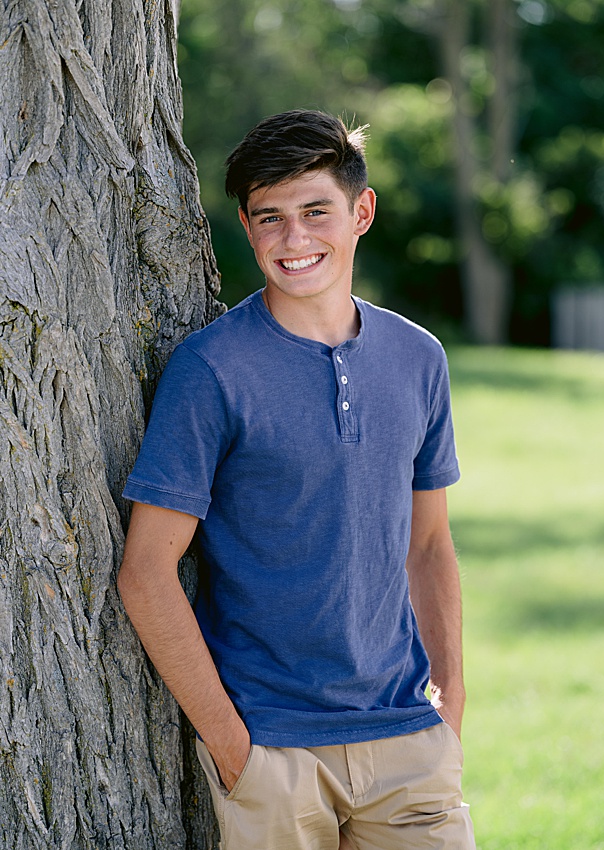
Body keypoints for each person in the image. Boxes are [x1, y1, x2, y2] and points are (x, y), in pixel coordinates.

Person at [117, 109, 476, 848]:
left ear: (361, 212)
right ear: (246, 228)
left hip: (410, 741)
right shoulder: (210, 370)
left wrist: (451, 708)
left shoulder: (418, 358)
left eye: (316, 211)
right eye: (269, 218)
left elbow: (430, 546)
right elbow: (146, 571)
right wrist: (232, 746)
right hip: (273, 748)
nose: (294, 239)